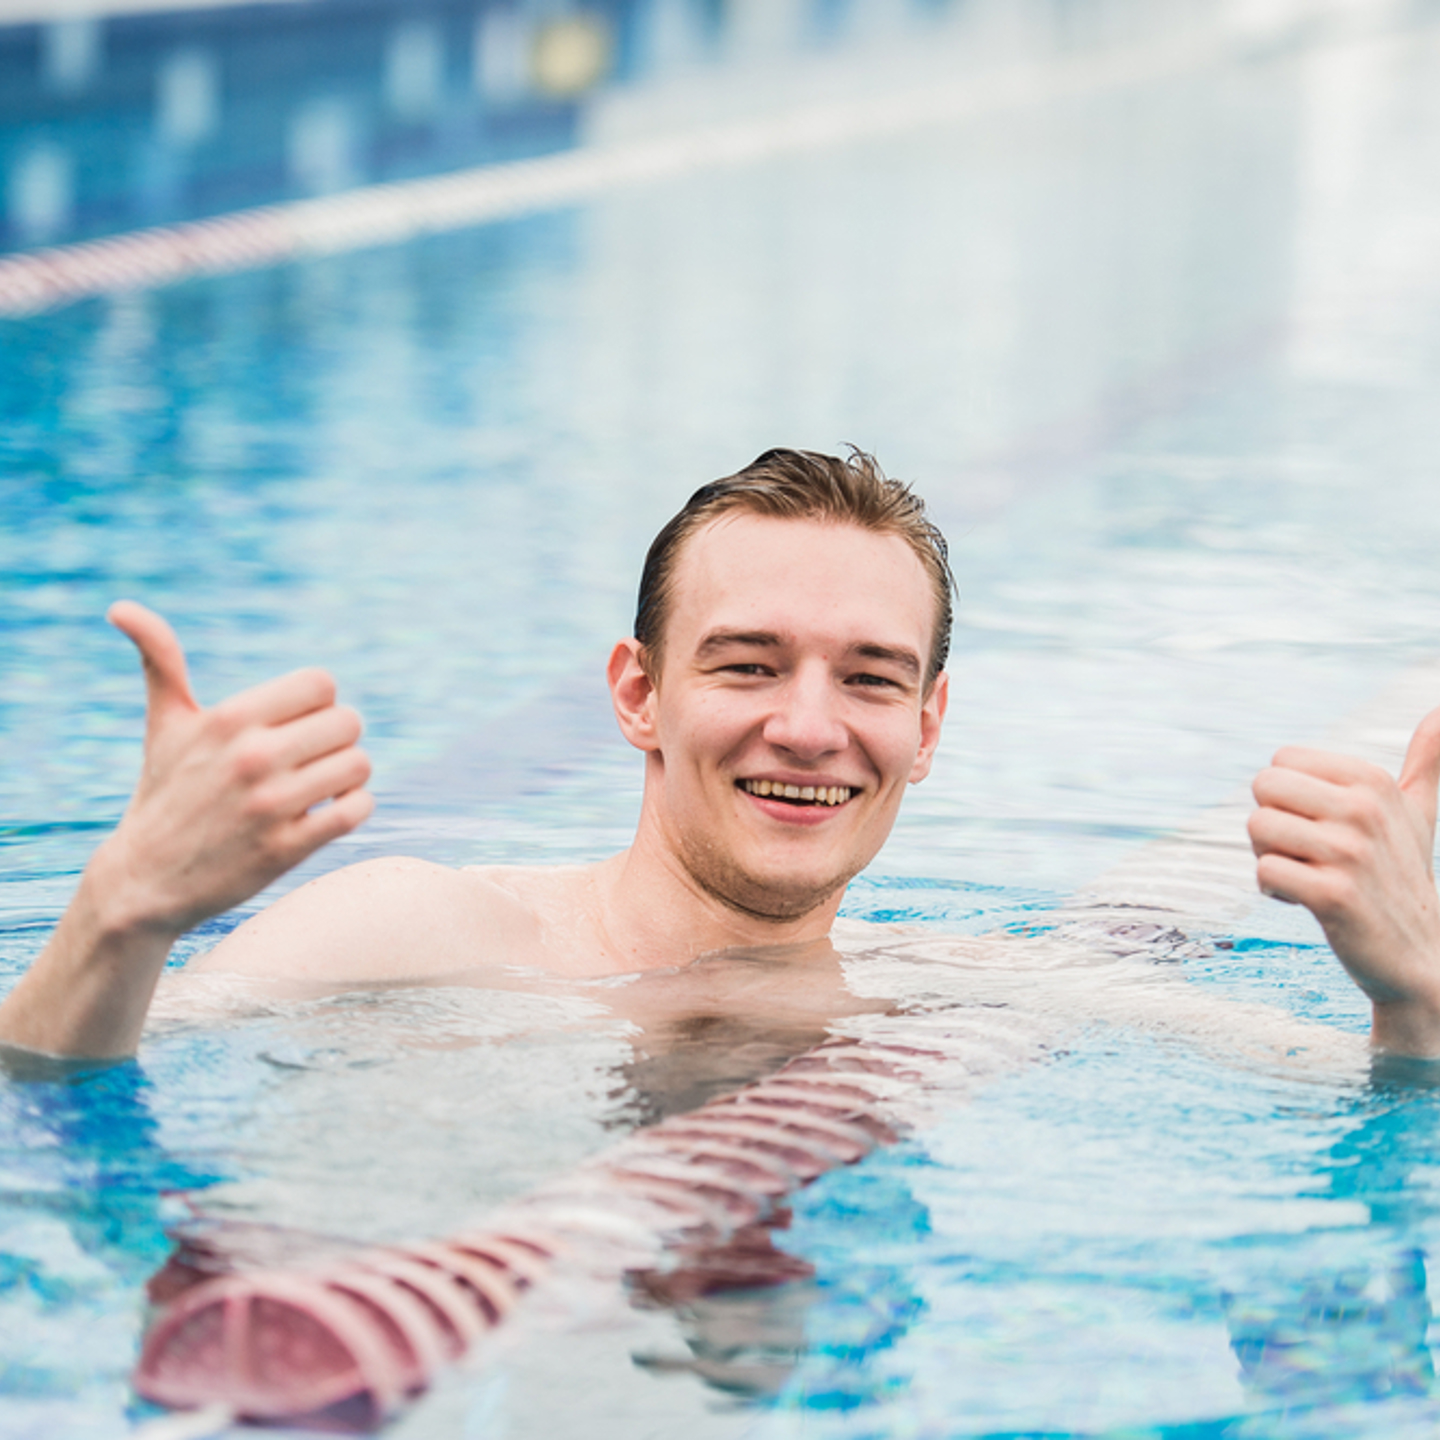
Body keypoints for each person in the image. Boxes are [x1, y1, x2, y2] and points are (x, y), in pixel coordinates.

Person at [2, 448, 1439, 1064]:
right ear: (638, 694)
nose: (808, 725)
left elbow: (1368, 1102)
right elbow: (48, 1085)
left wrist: (1416, 987)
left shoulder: (980, 990)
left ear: (928, 730)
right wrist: (118, 912)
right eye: (747, 665)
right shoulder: (415, 927)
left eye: (869, 678)